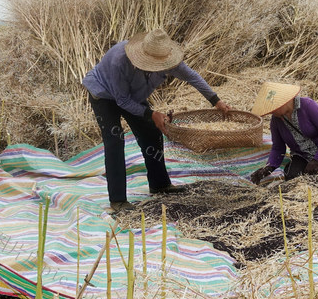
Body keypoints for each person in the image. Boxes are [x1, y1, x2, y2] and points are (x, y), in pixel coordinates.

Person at [82, 28, 232, 212]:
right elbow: (122, 100)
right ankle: (118, 200)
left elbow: (192, 77)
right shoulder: (119, 60)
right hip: (104, 94)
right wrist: (152, 114)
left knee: (151, 132)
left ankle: (159, 184)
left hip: (132, 96)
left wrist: (216, 101)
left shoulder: (168, 59)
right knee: (115, 141)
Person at [249, 82, 318, 184]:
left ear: (283, 102)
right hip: (302, 154)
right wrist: (269, 168)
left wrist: (317, 160)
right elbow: (278, 147)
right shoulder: (276, 120)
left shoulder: (307, 105)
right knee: (293, 177)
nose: (271, 112)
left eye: (273, 109)